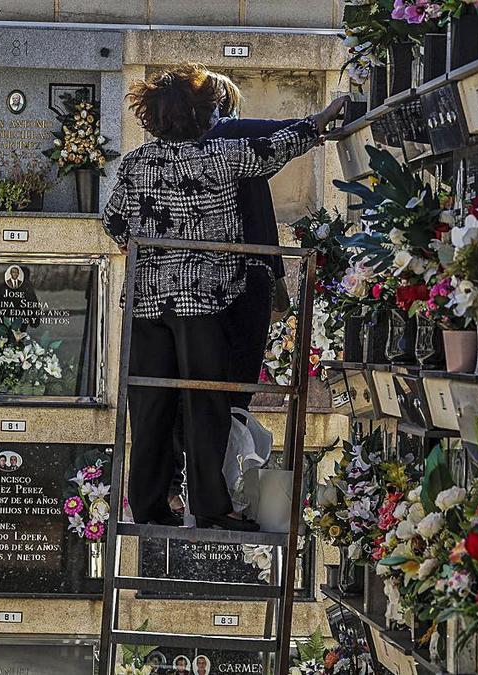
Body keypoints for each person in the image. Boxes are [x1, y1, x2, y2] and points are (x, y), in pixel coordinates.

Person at [102, 62, 345, 531]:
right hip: (202, 301)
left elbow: (114, 222)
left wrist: (154, 252)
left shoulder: (136, 163)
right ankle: (212, 506)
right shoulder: (218, 157)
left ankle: (149, 505)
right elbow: (276, 147)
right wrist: (319, 121)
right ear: (201, 113)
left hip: (146, 304)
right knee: (205, 404)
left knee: (150, 406)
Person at [167, 71, 297, 514]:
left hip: (198, 286)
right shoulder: (232, 140)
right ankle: (220, 490)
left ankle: (197, 483)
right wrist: (276, 282)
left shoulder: (179, 154)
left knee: (197, 389)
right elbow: (262, 220)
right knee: (233, 388)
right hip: (246, 280)